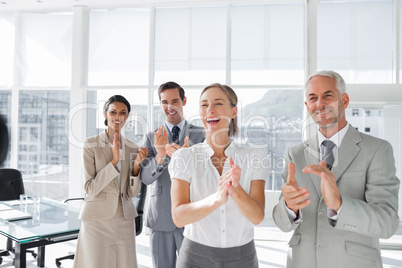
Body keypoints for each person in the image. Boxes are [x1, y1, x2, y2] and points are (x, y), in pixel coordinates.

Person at [272, 70, 400, 268]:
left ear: (345, 100)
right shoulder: (295, 155)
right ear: (307, 106)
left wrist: (340, 205)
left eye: (328, 96)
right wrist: (289, 208)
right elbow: (282, 224)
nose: (320, 104)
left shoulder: (377, 150)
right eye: (313, 98)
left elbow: (388, 222)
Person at [169, 83, 268, 268]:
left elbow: (257, 217)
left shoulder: (254, 158)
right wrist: (216, 199)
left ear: (234, 111)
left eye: (218, 103)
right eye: (204, 104)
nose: (210, 110)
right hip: (194, 257)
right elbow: (178, 217)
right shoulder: (184, 157)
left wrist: (236, 191)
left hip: (243, 258)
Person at [73, 95, 148, 268]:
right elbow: (90, 188)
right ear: (105, 114)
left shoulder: (132, 148)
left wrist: (136, 167)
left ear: (128, 116)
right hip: (97, 219)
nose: (118, 117)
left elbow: (132, 192)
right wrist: (114, 162)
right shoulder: (91, 144)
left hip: (124, 219)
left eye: (123, 112)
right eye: (113, 112)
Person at [140, 81, 205, 268]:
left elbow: (209, 174)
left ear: (184, 101)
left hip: (192, 216)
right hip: (161, 217)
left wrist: (188, 157)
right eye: (164, 102)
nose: (170, 107)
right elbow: (145, 178)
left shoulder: (202, 135)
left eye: (175, 101)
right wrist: (160, 157)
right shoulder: (151, 137)